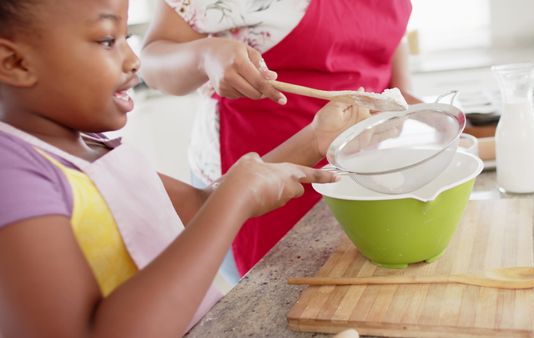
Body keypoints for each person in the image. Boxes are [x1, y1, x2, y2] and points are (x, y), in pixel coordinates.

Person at [0, 0, 371, 336]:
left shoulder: (95, 142)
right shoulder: (13, 179)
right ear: (14, 63)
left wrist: (316, 138)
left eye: (126, 37)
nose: (133, 60)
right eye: (106, 41)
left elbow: (196, 206)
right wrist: (234, 201)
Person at [141, 0, 418, 280]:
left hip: (359, 166)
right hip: (259, 163)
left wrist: (401, 94)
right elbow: (151, 62)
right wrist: (206, 55)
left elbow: (387, 34)